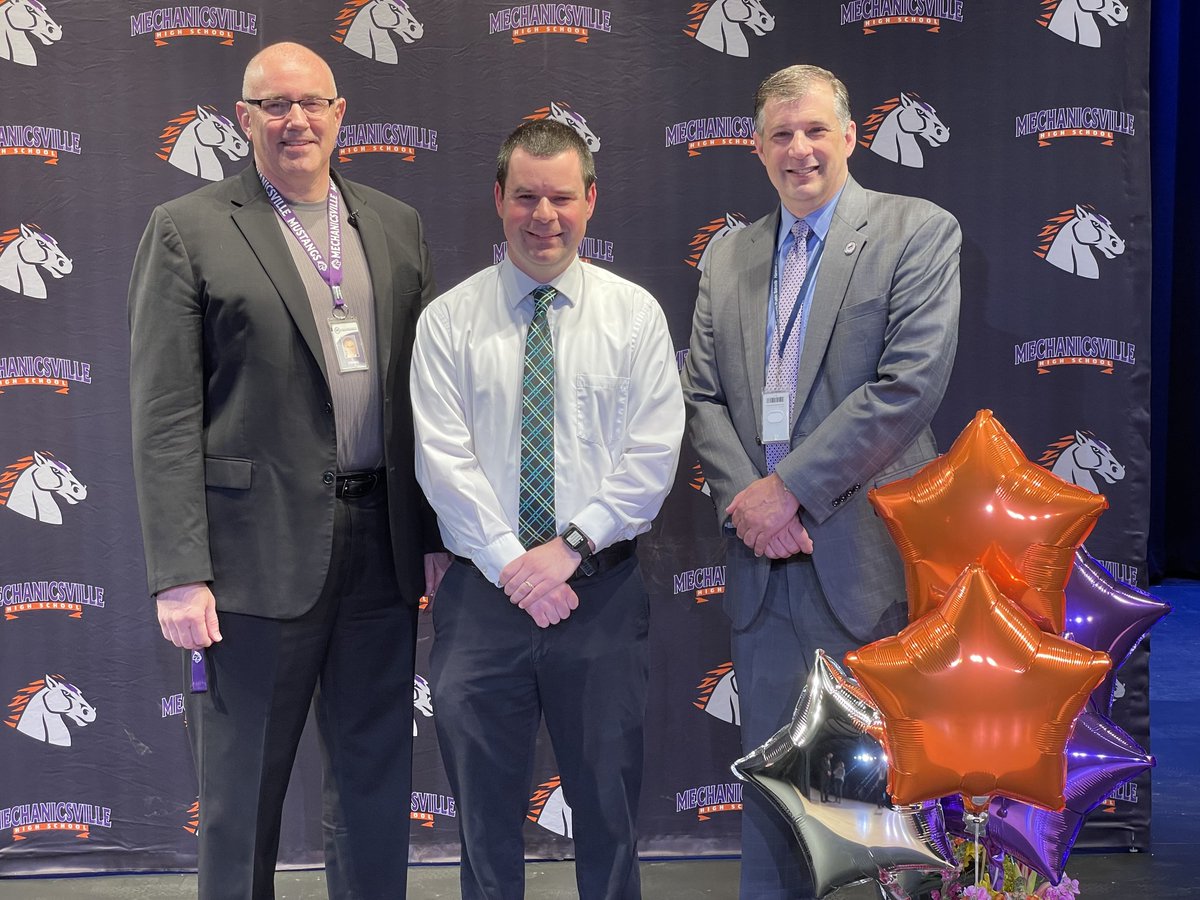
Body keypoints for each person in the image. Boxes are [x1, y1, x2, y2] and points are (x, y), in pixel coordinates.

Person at [128, 42, 445, 900]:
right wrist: (180, 572)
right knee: (239, 803)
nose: (295, 120)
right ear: (245, 120)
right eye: (274, 105)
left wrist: (431, 535)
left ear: (342, 115)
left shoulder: (395, 223)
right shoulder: (188, 228)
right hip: (248, 562)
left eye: (311, 103)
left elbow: (424, 396)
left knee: (377, 789)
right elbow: (162, 415)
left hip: (380, 550)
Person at [681, 64, 960, 898]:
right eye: (779, 135)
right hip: (764, 570)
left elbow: (907, 386)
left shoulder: (917, 230)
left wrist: (788, 489)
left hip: (865, 564)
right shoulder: (728, 255)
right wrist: (752, 503)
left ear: (849, 135)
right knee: (772, 802)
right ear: (758, 148)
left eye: (813, 131)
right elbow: (700, 392)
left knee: (876, 811)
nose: (798, 150)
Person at [410, 119, 684, 900]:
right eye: (525, 195)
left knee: (607, 816)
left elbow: (650, 459)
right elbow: (443, 461)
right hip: (480, 601)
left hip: (598, 592)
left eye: (562, 196)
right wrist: (513, 566)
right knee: (484, 826)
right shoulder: (449, 322)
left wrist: (564, 549)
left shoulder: (634, 317)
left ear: (590, 200)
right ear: (498, 199)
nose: (544, 215)